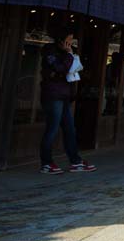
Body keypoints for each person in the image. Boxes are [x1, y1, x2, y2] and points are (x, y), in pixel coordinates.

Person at [39, 27, 96, 174]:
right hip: (52, 95)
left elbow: (73, 69)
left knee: (70, 129)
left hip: (64, 95)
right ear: (61, 40)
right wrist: (69, 55)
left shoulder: (67, 52)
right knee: (52, 129)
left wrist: (70, 55)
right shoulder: (49, 51)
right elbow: (60, 69)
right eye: (69, 39)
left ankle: (75, 161)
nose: (71, 42)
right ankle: (46, 163)